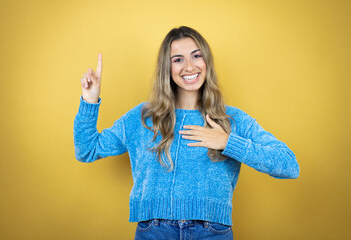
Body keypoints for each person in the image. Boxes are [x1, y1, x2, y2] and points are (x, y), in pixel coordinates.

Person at [73, 26, 300, 240]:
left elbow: (289, 165)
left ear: (207, 61)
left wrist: (228, 141)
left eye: (196, 56)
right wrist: (89, 101)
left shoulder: (232, 119)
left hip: (212, 232)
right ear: (167, 67)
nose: (189, 66)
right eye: (178, 59)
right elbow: (87, 150)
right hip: (154, 231)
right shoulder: (143, 117)